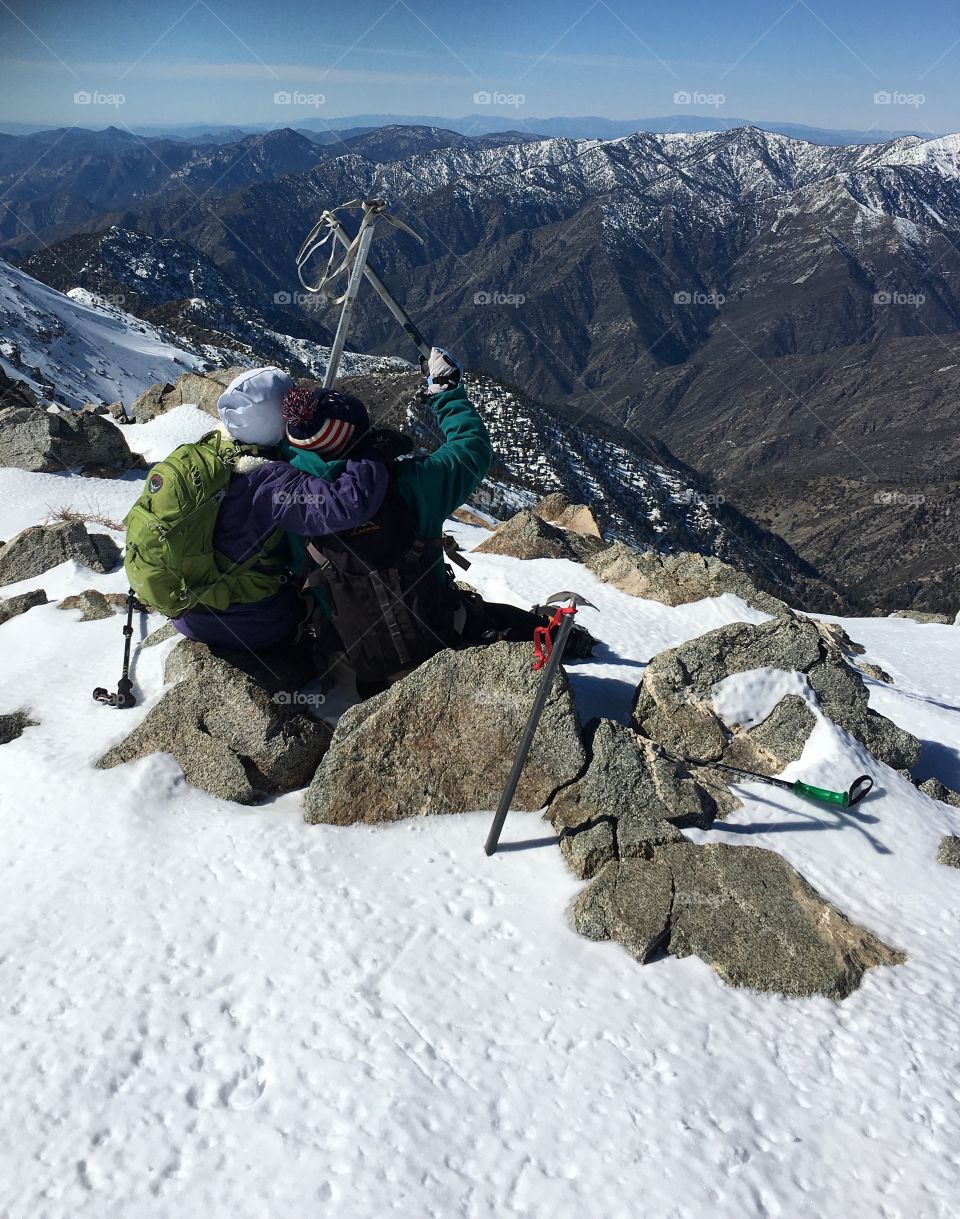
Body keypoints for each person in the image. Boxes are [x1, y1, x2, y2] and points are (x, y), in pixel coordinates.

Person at [280, 348, 594, 698]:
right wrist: (446, 392)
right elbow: (471, 450)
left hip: (363, 670)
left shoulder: (286, 504)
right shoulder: (412, 483)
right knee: (485, 615)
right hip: (441, 637)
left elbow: (293, 565)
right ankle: (560, 637)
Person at [130, 366, 390, 669]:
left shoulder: (211, 450)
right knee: (310, 605)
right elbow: (348, 504)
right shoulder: (268, 481)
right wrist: (370, 454)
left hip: (189, 613)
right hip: (248, 624)